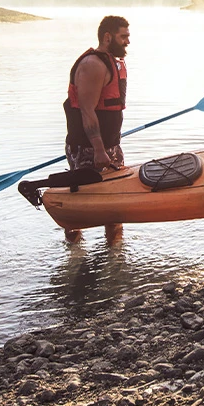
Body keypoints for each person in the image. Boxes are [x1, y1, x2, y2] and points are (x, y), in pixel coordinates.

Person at [62, 15, 131, 241]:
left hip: (110, 146)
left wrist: (110, 146)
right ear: (108, 37)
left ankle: (115, 260)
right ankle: (74, 257)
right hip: (87, 148)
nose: (127, 42)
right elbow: (87, 110)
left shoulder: (115, 63)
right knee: (78, 210)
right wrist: (99, 149)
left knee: (116, 208)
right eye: (123, 37)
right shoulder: (93, 65)